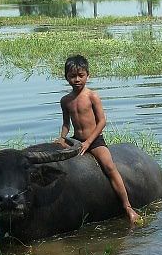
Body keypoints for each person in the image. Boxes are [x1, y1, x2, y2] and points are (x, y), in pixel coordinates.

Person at [57, 55, 140, 225]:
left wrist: (88, 142)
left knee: (110, 167)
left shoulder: (92, 96)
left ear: (88, 75)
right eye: (72, 76)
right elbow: (66, 124)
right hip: (76, 140)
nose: (77, 79)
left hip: (94, 140)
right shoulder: (65, 100)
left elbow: (102, 121)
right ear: (66, 77)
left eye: (81, 75)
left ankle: (128, 207)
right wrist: (62, 138)